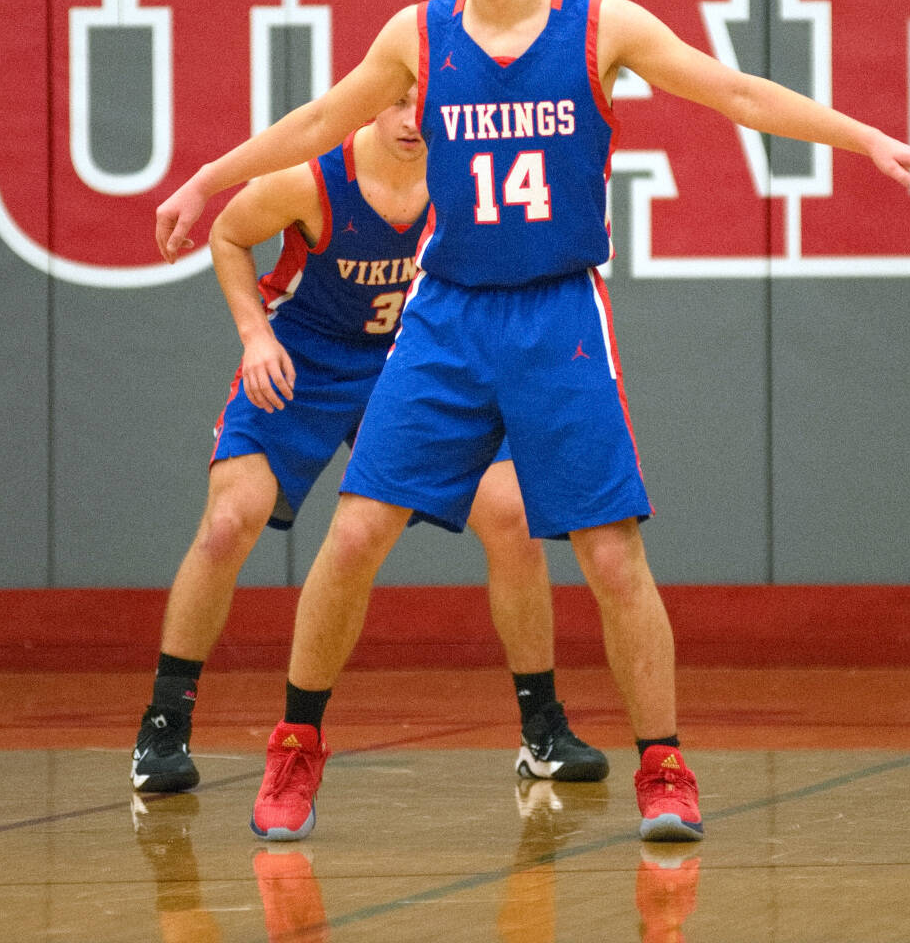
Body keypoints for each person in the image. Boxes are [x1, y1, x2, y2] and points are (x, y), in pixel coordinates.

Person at [154, 0, 910, 844]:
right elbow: (318, 118)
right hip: (446, 315)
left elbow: (739, 94)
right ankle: (295, 745)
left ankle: (663, 763)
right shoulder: (418, 35)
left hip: (554, 312)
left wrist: (867, 139)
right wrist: (206, 180)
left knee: (610, 551)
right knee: (355, 531)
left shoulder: (599, 27)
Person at [132, 87, 606, 797]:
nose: (414, 120)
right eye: (399, 103)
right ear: (370, 107)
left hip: (416, 359)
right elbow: (229, 234)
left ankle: (541, 727)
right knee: (232, 519)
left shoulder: (470, 179)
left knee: (513, 518)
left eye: (428, 105)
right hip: (308, 356)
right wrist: (256, 333)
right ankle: (164, 723)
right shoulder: (312, 179)